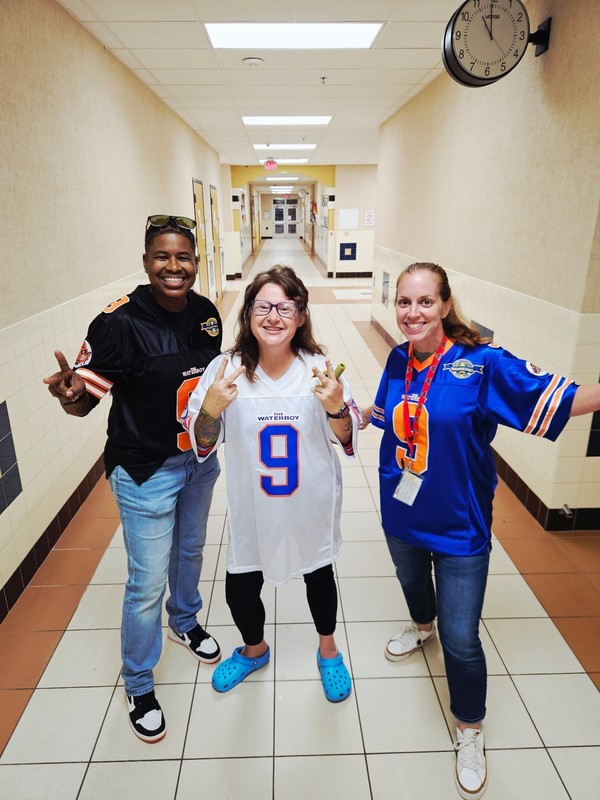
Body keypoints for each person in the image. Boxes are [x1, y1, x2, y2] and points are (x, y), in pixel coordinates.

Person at [360, 262, 600, 800]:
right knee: (412, 585)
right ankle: (420, 626)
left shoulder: (482, 363)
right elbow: (386, 415)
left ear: (446, 305)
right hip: (401, 511)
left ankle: (469, 727)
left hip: (459, 524)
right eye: (404, 302)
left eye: (425, 301)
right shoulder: (399, 358)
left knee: (462, 639)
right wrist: (343, 409)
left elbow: (562, 399)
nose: (412, 313)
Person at [43, 214, 224, 743]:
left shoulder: (206, 314)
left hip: (198, 462)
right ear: (146, 262)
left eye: (183, 257)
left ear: (196, 262)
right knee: (146, 582)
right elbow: (84, 402)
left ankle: (185, 621)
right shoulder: (118, 323)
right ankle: (140, 682)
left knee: (190, 551)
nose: (174, 266)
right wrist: (70, 395)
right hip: (145, 470)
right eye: (162, 256)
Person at [182, 265, 360, 702]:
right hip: (253, 505)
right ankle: (254, 649)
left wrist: (337, 407)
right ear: (248, 314)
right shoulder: (226, 370)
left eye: (285, 307)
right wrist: (211, 409)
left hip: (309, 501)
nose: (273, 317)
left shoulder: (320, 370)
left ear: (301, 316)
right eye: (263, 306)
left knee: (319, 575)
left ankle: (328, 649)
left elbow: (346, 438)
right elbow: (201, 443)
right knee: (241, 586)